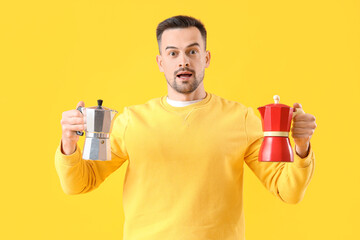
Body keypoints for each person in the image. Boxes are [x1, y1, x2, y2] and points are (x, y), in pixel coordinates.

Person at [55, 15, 317, 240]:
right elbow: (79, 184)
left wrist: (301, 146)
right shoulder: (131, 121)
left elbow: (288, 191)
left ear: (206, 57)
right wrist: (69, 143)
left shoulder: (241, 119)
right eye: (173, 53)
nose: (183, 61)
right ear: (161, 63)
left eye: (192, 51)